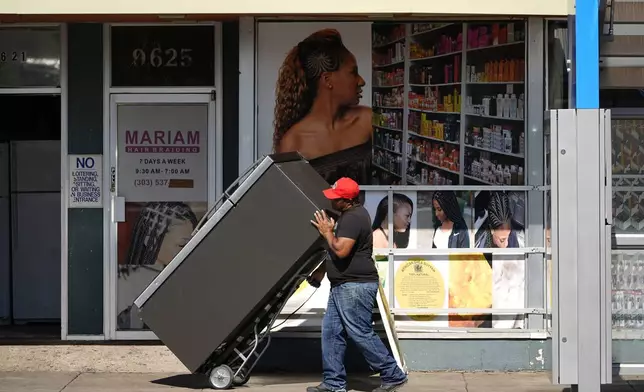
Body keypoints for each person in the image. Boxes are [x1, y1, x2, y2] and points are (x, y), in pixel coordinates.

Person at [308, 177, 408, 392]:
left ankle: (392, 373)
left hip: (354, 286)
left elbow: (341, 250)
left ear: (347, 200)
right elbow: (340, 254)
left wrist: (327, 232)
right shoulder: (350, 215)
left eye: (336, 199)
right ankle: (334, 383)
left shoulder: (353, 218)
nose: (332, 202)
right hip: (343, 285)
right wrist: (321, 272)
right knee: (332, 333)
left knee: (359, 332)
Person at [273, 29, 373, 185]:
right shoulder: (293, 142)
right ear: (327, 80)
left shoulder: (367, 121)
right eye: (353, 73)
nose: (361, 81)